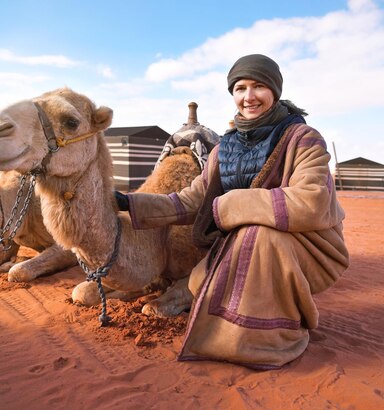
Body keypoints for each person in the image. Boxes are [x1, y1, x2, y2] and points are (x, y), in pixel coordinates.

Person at [115, 54, 349, 369]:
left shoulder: (303, 139)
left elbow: (312, 201)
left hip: (308, 245)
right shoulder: (225, 148)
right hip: (242, 244)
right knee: (247, 242)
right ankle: (230, 333)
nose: (249, 96)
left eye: (259, 86)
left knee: (259, 235)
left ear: (274, 92)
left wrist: (231, 205)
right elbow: (190, 201)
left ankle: (266, 342)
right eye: (240, 88)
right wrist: (128, 203)